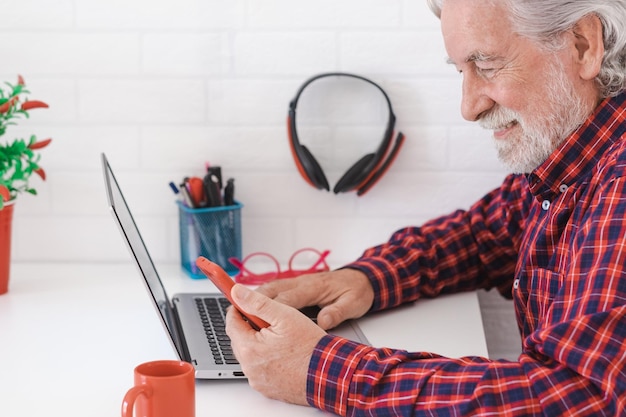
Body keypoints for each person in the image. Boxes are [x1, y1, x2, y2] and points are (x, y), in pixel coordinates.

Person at [225, 0, 626, 415]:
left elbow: (580, 396)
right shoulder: (574, 161)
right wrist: (365, 279)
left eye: (486, 65)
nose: (468, 107)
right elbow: (483, 236)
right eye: (460, 71)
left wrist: (317, 369)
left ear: (582, 45)